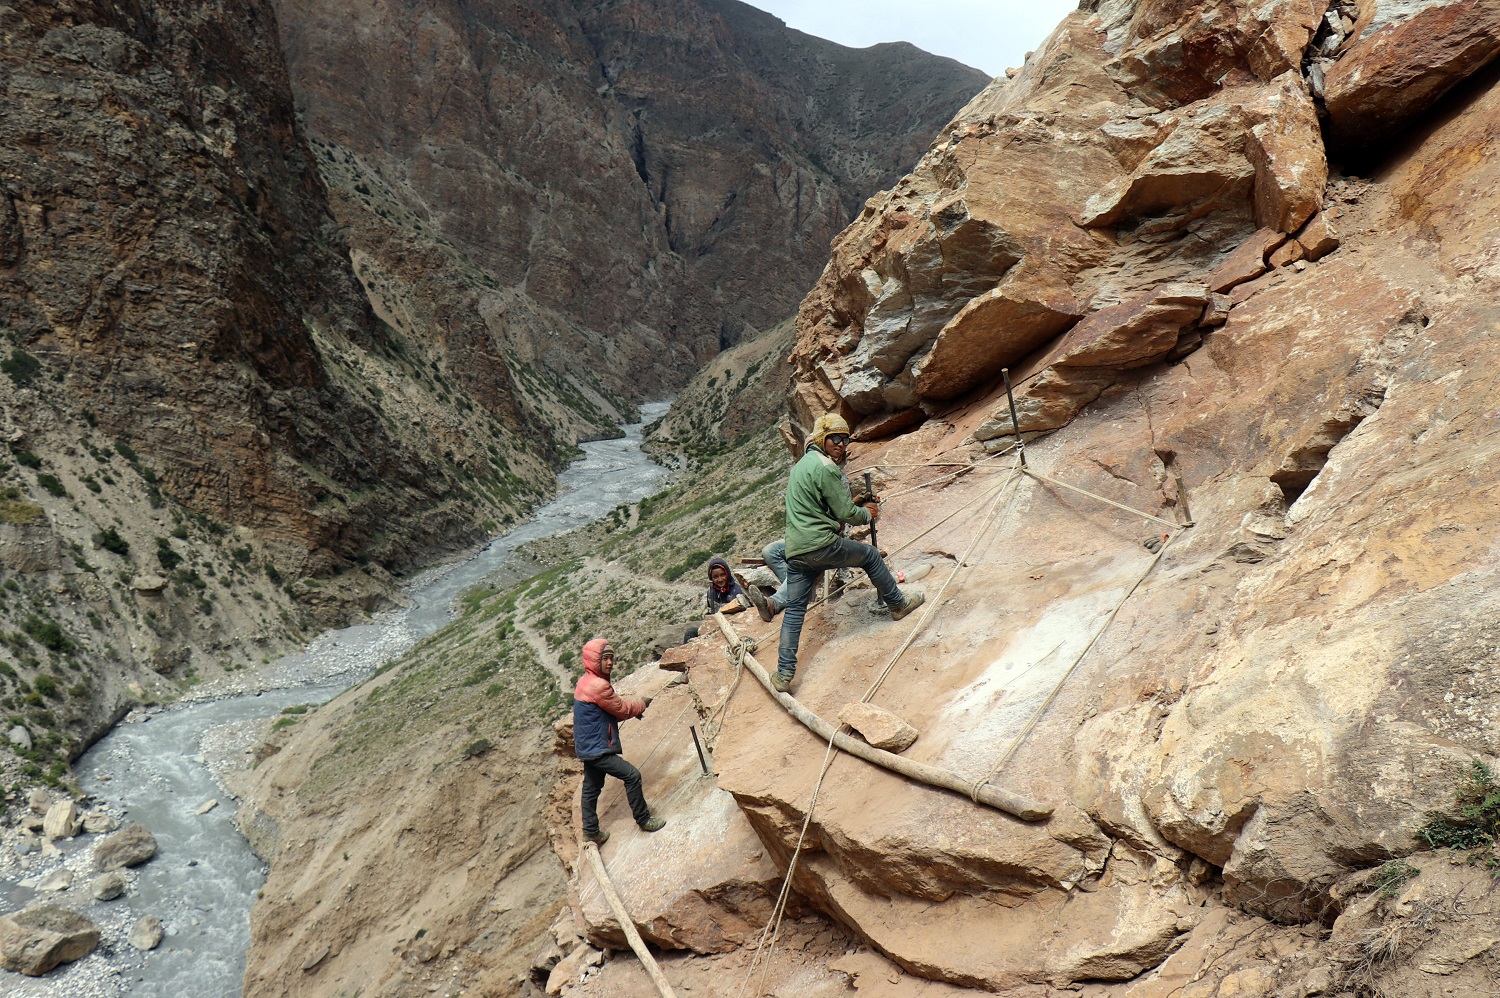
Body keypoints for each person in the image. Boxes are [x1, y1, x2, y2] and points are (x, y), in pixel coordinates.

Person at [767, 414, 923, 693]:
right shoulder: (827, 468)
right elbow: (845, 515)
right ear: (821, 439)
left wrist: (852, 502)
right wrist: (867, 512)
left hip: (797, 549)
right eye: (835, 438)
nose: (841, 443)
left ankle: (783, 674)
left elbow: (823, 508)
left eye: (845, 438)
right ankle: (898, 605)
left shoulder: (802, 466)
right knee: (871, 556)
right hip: (822, 544)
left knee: (794, 611)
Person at [572, 638, 666, 844]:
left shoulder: (585, 682)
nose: (610, 663)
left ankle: (590, 831)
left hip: (587, 746)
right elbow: (621, 709)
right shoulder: (598, 686)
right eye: (605, 659)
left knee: (592, 787)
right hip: (598, 748)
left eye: (611, 659)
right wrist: (641, 704)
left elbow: (605, 710)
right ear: (593, 660)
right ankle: (644, 819)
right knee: (632, 776)